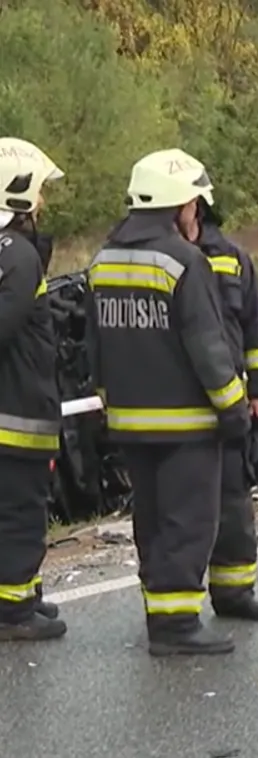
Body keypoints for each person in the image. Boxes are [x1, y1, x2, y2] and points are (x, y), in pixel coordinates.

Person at [87, 148, 250, 656]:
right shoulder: (184, 261)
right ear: (180, 204)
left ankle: (160, 612)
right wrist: (234, 409)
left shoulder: (102, 259)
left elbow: (94, 345)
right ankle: (177, 625)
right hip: (187, 423)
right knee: (188, 521)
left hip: (131, 422)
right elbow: (207, 346)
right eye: (193, 204)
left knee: (152, 519)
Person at [194, 206, 258, 622]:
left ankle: (234, 594)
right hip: (177, 406)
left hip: (229, 404)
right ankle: (175, 605)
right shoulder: (161, 255)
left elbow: (255, 328)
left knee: (233, 502)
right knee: (181, 511)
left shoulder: (230, 257)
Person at [0, 138, 67, 642]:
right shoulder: (19, 257)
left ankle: (26, 594)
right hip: (17, 415)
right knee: (21, 511)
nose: (44, 199)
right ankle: (13, 610)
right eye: (40, 189)